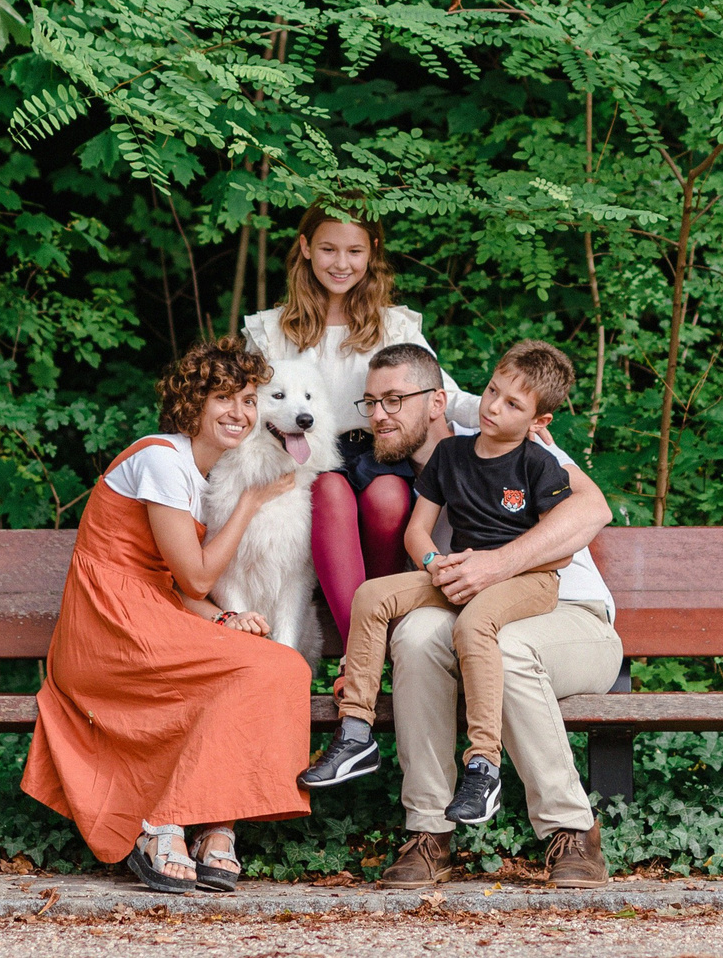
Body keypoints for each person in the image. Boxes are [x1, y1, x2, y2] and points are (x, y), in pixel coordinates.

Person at [317, 340, 624, 889]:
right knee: (414, 635)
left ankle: (572, 830)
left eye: (394, 402)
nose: (378, 417)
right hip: (470, 606)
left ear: (436, 402)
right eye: (370, 404)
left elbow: (594, 507)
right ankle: (429, 832)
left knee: (507, 647)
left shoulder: (515, 442)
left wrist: (499, 564)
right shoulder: (429, 474)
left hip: (572, 616)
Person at [20, 338, 312, 894]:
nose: (240, 413)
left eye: (249, 400)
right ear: (191, 405)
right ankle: (162, 822)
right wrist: (252, 503)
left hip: (147, 617)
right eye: (222, 398)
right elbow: (197, 577)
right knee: (265, 671)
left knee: (278, 666)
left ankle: (216, 825)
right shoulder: (161, 458)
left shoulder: (205, 474)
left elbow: (173, 586)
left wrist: (222, 620)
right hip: (106, 632)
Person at [298, 358, 574, 823]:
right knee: (373, 595)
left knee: (475, 625)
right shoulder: (452, 456)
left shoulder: (537, 463)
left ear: (538, 421)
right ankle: (356, 733)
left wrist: (496, 568)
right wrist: (433, 562)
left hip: (528, 581)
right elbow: (417, 531)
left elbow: (560, 551)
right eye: (491, 392)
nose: (493, 407)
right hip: (458, 573)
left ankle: (484, 765)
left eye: (512, 404)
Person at [240, 206, 459, 643]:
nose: (341, 263)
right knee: (331, 494)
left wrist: (508, 418)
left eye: (354, 251)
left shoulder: (392, 325)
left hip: (376, 452)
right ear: (305, 247)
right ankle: (360, 649)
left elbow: (444, 393)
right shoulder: (272, 330)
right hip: (306, 457)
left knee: (389, 498)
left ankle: (385, 628)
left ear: (372, 252)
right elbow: (244, 401)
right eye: (328, 249)